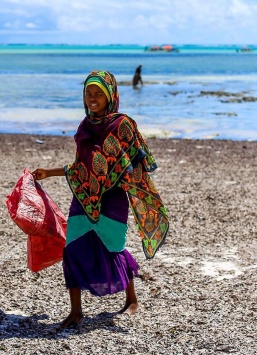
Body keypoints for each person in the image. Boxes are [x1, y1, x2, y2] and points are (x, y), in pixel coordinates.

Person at [32, 70, 169, 328]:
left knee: (113, 246)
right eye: (88, 93)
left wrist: (129, 184)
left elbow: (137, 161)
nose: (92, 98)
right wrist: (48, 173)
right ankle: (76, 311)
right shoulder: (85, 126)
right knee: (72, 248)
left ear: (110, 96)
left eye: (98, 94)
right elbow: (79, 166)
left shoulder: (123, 125)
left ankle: (131, 299)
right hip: (84, 195)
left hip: (113, 197)